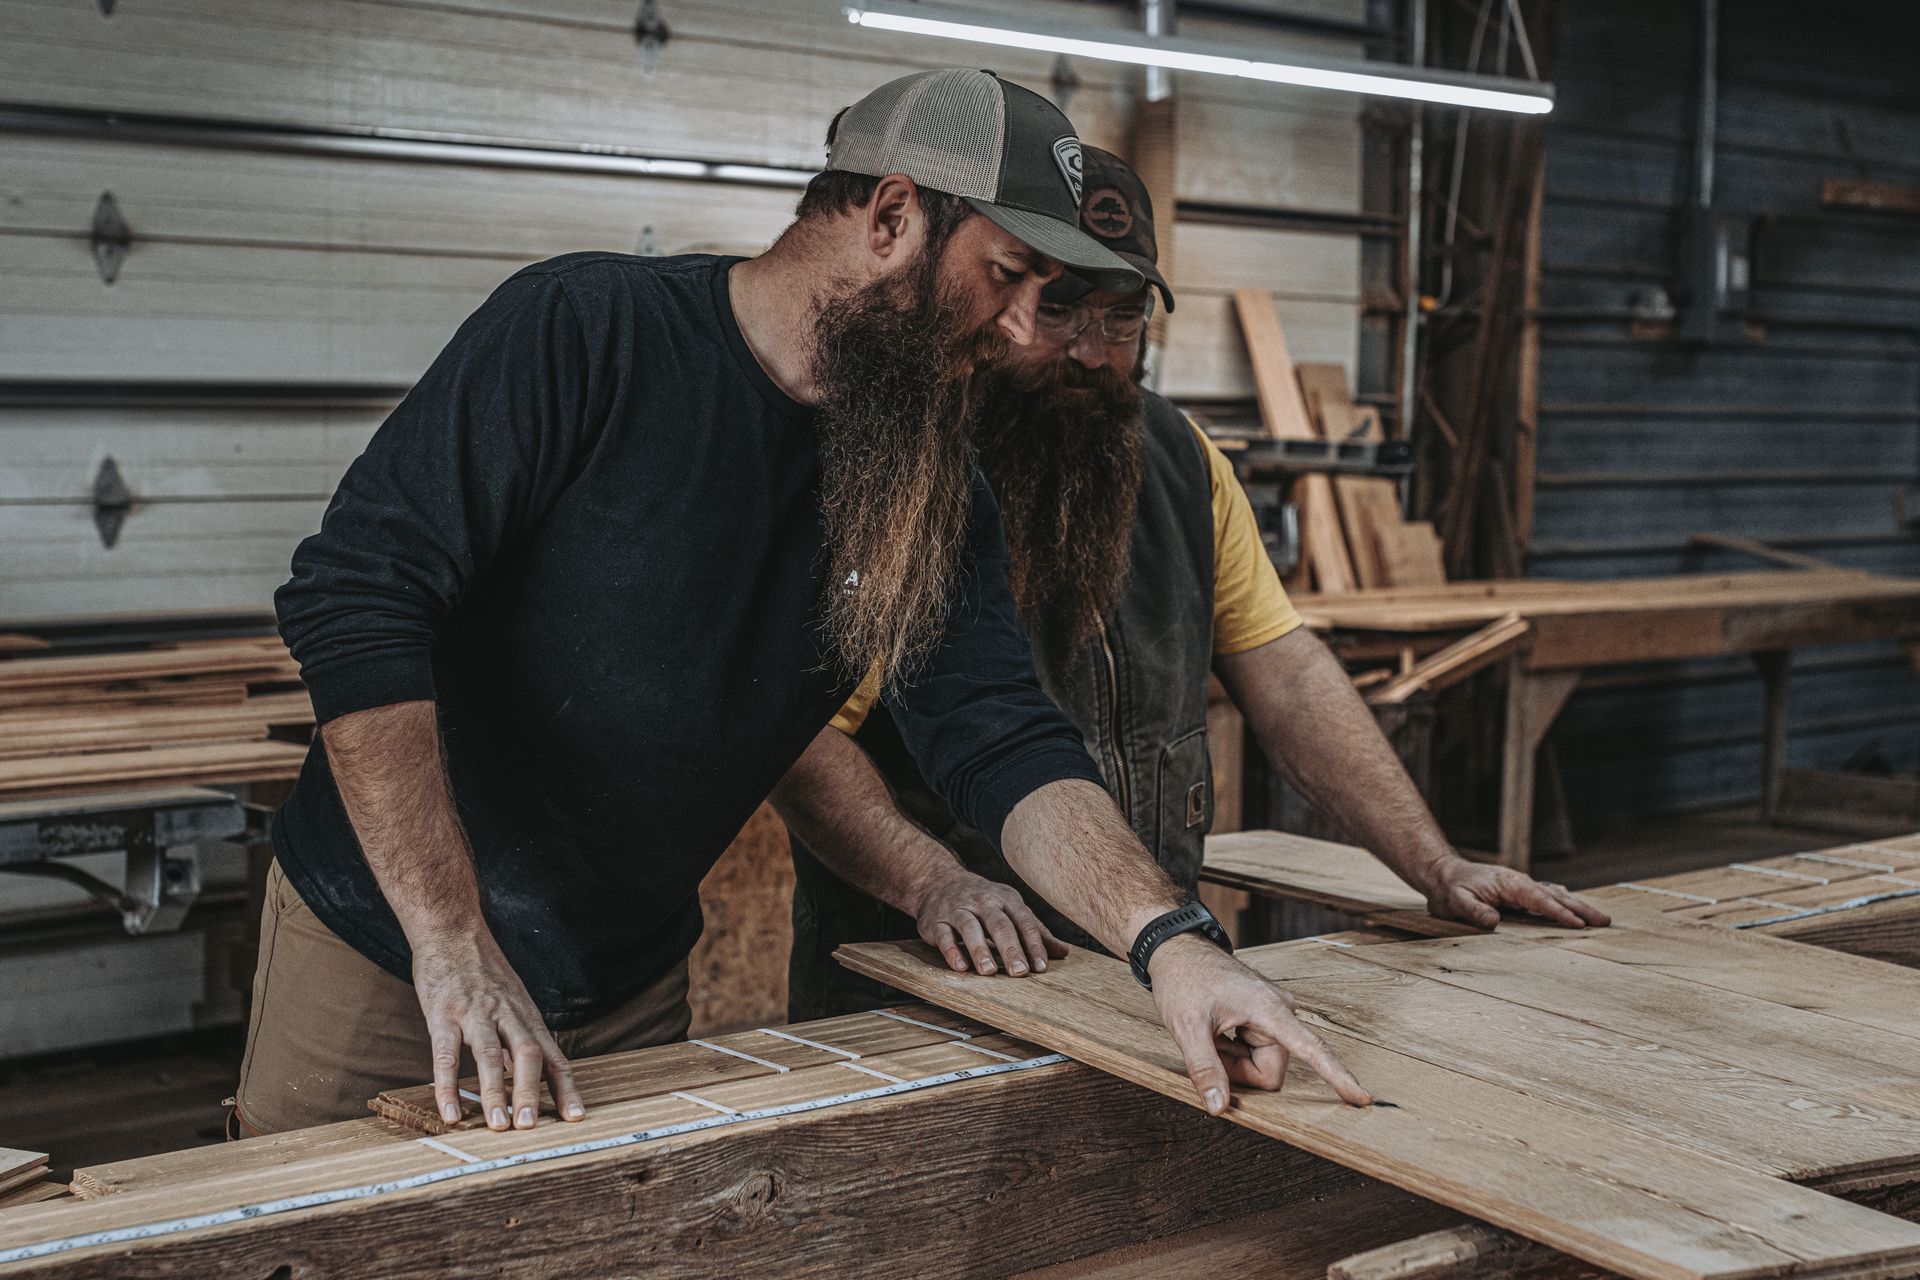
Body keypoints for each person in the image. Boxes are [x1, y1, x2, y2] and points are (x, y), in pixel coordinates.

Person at [239, 71, 1371, 1138]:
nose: (1027, 329)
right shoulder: (585, 333)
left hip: (626, 976)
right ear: (891, 216)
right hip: (391, 947)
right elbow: (358, 599)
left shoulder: (931, 481)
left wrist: (1172, 942)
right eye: (1010, 273)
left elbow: (1003, 736)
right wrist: (449, 939)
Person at [781, 146, 1610, 1023]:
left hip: (1151, 970)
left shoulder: (1181, 463)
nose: (1092, 354)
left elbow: (1288, 675)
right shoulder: (899, 472)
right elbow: (802, 740)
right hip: (941, 971)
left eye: (1124, 318)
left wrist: (1436, 864)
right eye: (1061, 309)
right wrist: (933, 883)